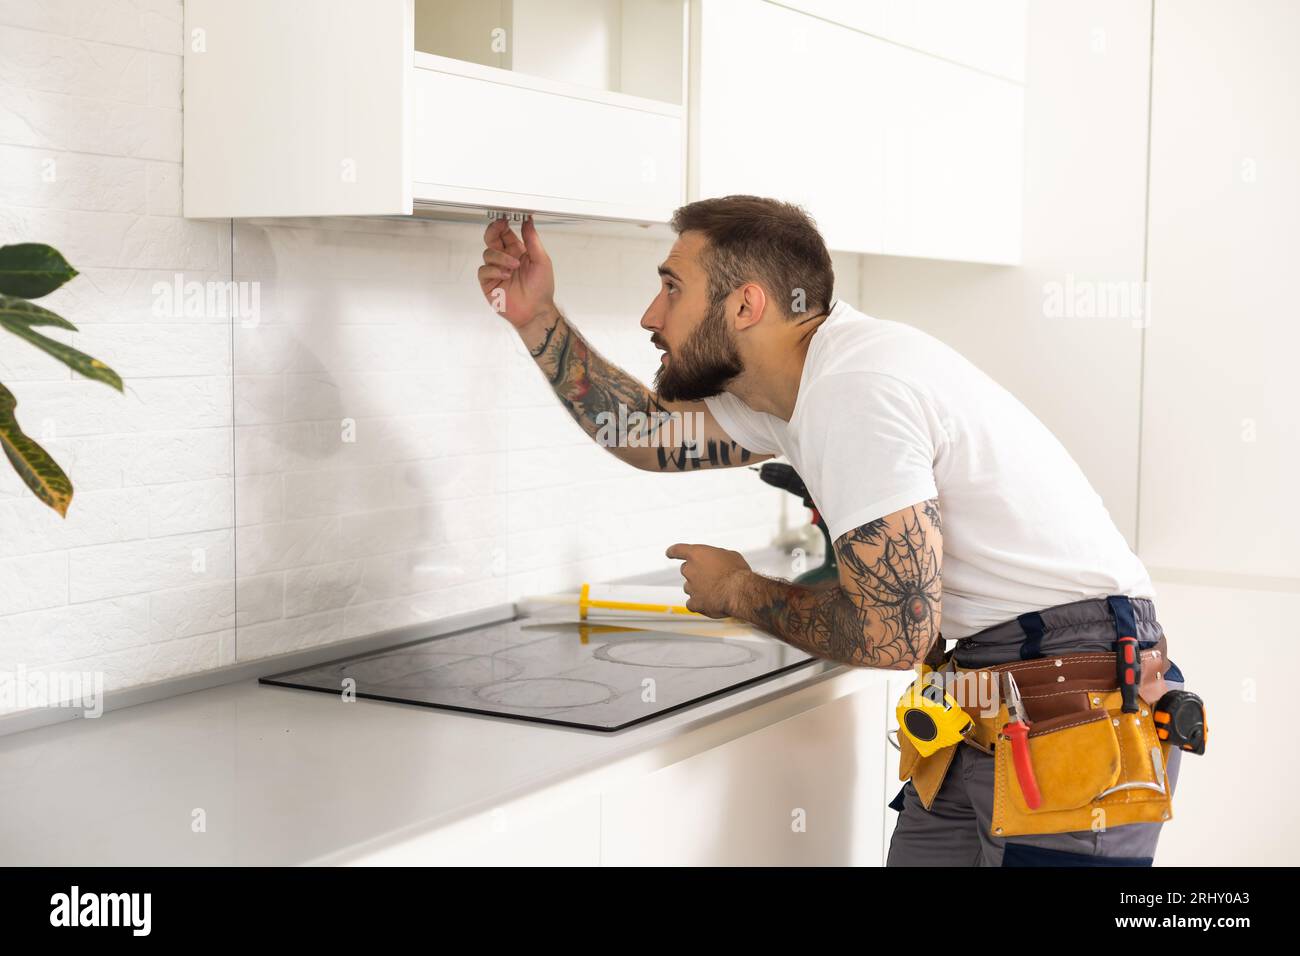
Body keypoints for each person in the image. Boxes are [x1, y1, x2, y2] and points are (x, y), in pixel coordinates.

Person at [477, 195, 1185, 866]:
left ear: (746, 304)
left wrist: (737, 590)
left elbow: (893, 635)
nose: (649, 315)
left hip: (1073, 698)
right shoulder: (796, 389)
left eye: (671, 287)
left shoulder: (854, 387)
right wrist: (535, 316)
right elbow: (644, 431)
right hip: (985, 699)